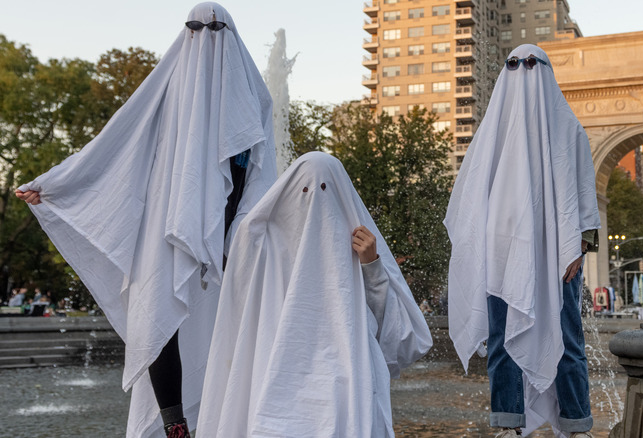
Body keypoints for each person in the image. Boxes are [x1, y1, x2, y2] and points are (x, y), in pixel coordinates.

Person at [15, 3, 276, 437]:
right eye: (195, 29)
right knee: (157, 310)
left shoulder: (255, 96)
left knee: (225, 319)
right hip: (165, 223)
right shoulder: (165, 89)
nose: (204, 37)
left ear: (230, 34)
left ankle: (225, 414)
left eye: (213, 29)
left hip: (233, 230)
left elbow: (265, 171)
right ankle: (174, 423)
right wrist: (55, 185)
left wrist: (251, 227)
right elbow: (115, 143)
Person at [197, 152, 432, 438]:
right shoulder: (263, 246)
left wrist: (372, 267)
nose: (316, 205)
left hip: (344, 387)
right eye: (306, 191)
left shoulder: (360, 247)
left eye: (326, 190)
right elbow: (237, 323)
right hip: (275, 387)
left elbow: (401, 340)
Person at [445, 45, 600, 438]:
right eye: (514, 64)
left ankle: (577, 424)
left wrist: (579, 247)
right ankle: (508, 423)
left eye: (532, 64)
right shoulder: (492, 131)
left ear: (546, 70)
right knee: (502, 339)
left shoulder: (569, 129)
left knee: (567, 339)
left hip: (558, 255)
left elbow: (584, 194)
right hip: (501, 253)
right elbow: (472, 197)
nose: (523, 71)